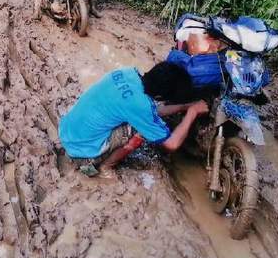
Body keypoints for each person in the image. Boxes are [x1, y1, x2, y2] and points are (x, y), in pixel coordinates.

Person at [58, 62, 209, 179]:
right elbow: (171, 144)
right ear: (159, 98)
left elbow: (151, 109)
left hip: (67, 133)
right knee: (138, 133)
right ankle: (106, 167)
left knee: (136, 119)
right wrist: (192, 113)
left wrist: (185, 106)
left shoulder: (128, 72)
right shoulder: (141, 107)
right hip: (83, 155)